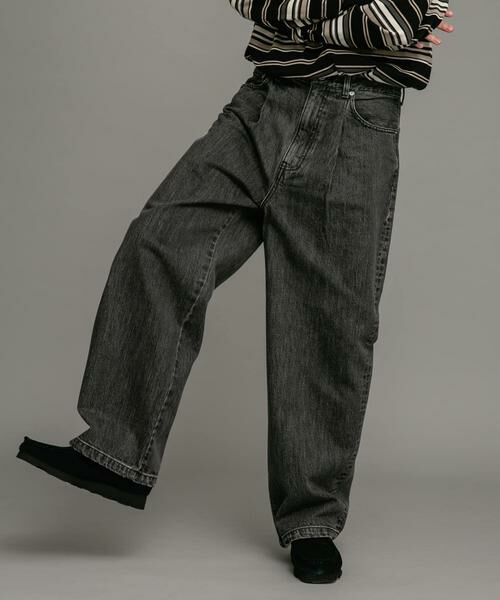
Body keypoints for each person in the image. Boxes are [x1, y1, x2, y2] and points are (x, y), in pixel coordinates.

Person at [16, 0, 455, 585]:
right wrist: (346, 20)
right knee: (160, 241)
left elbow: (391, 21)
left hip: (355, 117)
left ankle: (312, 520)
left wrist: (301, 16)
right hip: (264, 100)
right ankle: (117, 452)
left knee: (324, 321)